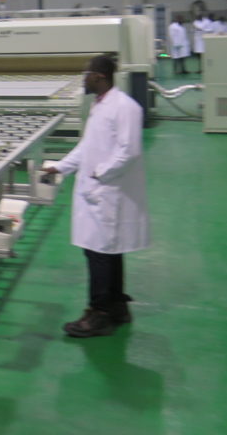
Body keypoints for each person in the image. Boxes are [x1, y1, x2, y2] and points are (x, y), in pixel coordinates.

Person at [42, 54, 149, 338]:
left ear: (100, 77)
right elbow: (86, 147)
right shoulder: (100, 106)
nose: (83, 78)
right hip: (98, 191)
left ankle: (99, 313)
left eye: (86, 74)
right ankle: (116, 307)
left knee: (100, 253)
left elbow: (129, 151)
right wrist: (60, 167)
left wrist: (100, 174)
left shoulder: (125, 107)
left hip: (107, 193)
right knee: (106, 251)